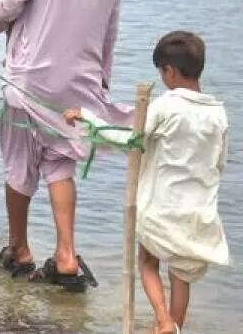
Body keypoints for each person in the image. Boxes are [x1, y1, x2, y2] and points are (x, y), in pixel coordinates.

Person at [0, 0, 128, 291]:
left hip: (30, 81)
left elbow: (4, 10)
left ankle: (20, 248)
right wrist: (101, 82)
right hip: (81, 84)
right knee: (60, 164)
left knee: (18, 164)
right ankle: (66, 254)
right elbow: (110, 30)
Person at [63, 31, 228, 334]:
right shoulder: (218, 113)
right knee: (181, 275)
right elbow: (220, 162)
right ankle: (173, 327)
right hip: (198, 212)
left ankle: (163, 322)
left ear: (170, 71)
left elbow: (130, 139)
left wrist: (88, 118)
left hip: (162, 207)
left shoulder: (166, 105)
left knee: (147, 263)